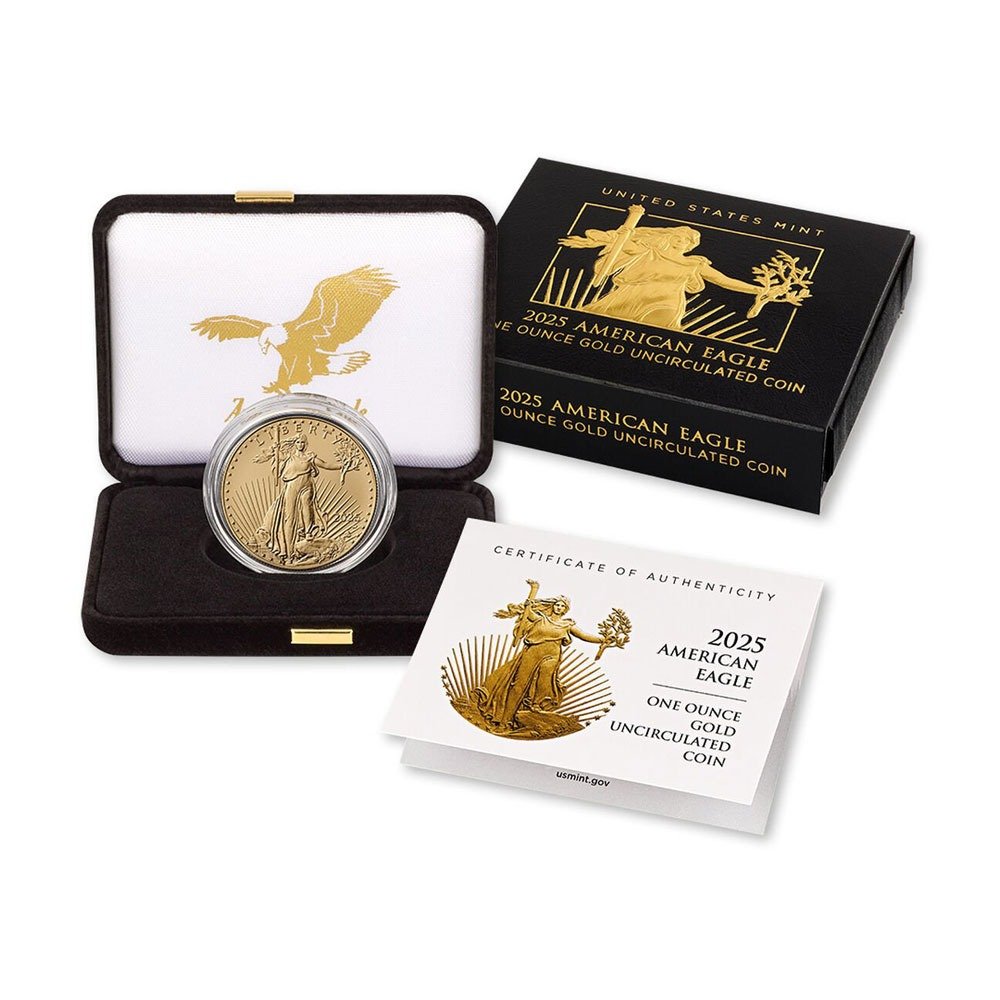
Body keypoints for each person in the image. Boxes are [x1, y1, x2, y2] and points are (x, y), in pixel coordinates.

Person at [560, 224, 763, 331]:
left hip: (666, 303)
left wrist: (758, 290)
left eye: (686, 240)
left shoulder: (694, 264)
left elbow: (722, 280)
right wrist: (598, 239)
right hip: (628, 298)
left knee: (658, 333)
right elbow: (616, 241)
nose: (680, 241)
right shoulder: (647, 251)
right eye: (678, 237)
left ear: (691, 246)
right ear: (668, 237)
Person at [475, 580, 605, 732]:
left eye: (562, 606)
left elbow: (584, 635)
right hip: (533, 653)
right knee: (519, 685)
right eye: (557, 604)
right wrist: (533, 592)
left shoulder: (567, 624)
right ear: (553, 606)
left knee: (544, 680)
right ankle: (505, 720)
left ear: (565, 610)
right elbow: (528, 611)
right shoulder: (540, 618)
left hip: (552, 655)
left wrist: (602, 639)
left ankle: (536, 704)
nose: (559, 607)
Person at [259, 435, 342, 562]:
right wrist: (274, 448)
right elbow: (275, 454)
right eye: (298, 442)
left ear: (306, 444)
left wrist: (342, 465)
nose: (300, 444)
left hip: (307, 486)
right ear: (295, 443)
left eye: (303, 442)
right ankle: (288, 551)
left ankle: (308, 533)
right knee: (289, 517)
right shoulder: (289, 456)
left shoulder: (310, 457)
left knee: (307, 509)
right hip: (292, 487)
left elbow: (326, 465)